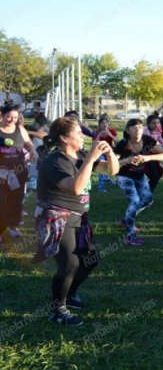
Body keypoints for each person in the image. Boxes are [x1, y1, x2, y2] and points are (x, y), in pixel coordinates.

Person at [33, 116, 119, 326]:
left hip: (79, 216)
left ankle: (70, 294)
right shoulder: (54, 162)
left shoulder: (80, 154)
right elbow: (75, 188)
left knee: (92, 258)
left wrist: (108, 153)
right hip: (56, 217)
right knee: (69, 263)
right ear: (63, 138)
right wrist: (90, 158)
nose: (83, 137)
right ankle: (57, 310)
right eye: (79, 133)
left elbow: (112, 171)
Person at [114, 118, 163, 245]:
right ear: (128, 131)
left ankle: (126, 219)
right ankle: (129, 235)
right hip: (124, 176)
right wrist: (127, 161)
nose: (138, 130)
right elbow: (112, 164)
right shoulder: (122, 144)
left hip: (139, 175)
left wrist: (147, 157)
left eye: (140, 127)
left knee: (147, 200)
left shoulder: (148, 140)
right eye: (134, 128)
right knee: (134, 201)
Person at [0, 104, 37, 240]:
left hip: (18, 172)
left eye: (15, 117)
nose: (12, 120)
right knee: (1, 200)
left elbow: (28, 143)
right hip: (1, 174)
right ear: (2, 115)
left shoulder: (20, 129)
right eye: (9, 116)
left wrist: (33, 150)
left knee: (16, 199)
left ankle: (13, 227)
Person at [143, 114, 163, 192]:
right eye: (154, 123)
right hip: (146, 157)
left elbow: (162, 141)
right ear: (149, 124)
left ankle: (147, 191)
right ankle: (146, 192)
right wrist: (159, 148)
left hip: (154, 156)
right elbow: (149, 144)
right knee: (154, 175)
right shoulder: (146, 132)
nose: (156, 125)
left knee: (158, 173)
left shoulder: (157, 132)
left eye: (158, 123)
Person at [93, 117, 118, 193]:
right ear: (99, 125)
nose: (104, 125)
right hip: (100, 152)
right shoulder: (97, 132)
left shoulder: (112, 131)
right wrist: (99, 135)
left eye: (106, 123)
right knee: (102, 167)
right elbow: (94, 144)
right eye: (102, 123)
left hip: (109, 152)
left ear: (108, 124)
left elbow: (118, 142)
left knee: (113, 167)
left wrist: (110, 135)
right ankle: (101, 187)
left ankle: (108, 178)